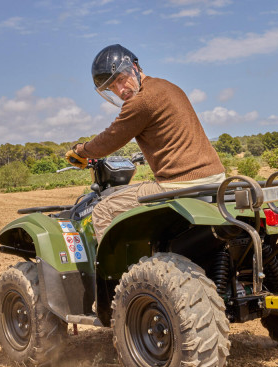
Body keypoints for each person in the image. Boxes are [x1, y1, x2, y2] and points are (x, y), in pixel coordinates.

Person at [65, 44, 225, 242]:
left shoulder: (141, 101)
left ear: (134, 67)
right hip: (215, 178)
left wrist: (81, 151)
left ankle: (119, 264)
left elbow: (110, 139)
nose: (120, 90)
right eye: (112, 87)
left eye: (121, 79)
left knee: (103, 210)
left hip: (180, 184)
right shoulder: (167, 86)